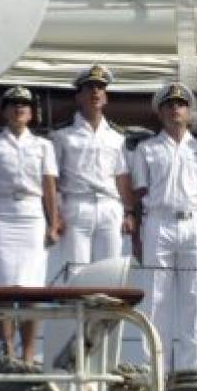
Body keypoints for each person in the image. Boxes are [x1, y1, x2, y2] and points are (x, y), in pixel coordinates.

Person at [0, 86, 59, 363]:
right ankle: (9, 350)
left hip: (32, 214)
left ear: (31, 113)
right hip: (1, 213)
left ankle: (29, 353)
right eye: (13, 104)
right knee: (3, 289)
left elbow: (49, 186)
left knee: (31, 290)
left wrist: (53, 224)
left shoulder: (43, 145)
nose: (19, 108)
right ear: (4, 111)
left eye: (24, 104)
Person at [131, 82, 197, 374]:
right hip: (158, 221)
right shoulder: (147, 149)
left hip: (194, 223)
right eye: (169, 105)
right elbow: (140, 196)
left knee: (195, 294)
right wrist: (137, 238)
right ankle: (156, 360)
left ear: (188, 111)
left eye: (180, 105)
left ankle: (195, 360)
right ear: (160, 112)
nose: (175, 109)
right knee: (156, 295)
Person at [52, 64, 134, 269]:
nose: (95, 92)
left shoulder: (117, 137)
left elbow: (121, 176)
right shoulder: (62, 136)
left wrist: (128, 212)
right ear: (78, 96)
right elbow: (53, 178)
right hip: (76, 206)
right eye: (89, 87)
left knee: (109, 271)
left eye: (100, 87)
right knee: (75, 271)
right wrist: (55, 215)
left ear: (106, 97)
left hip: (110, 207)